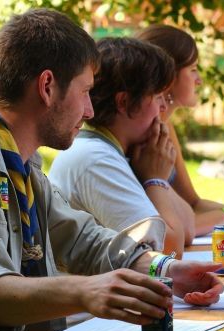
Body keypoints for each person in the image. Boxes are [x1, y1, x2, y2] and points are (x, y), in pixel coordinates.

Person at [0, 9, 223, 331]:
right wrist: (84, 292)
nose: (91, 111)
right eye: (84, 92)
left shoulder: (21, 169)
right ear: (47, 87)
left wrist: (167, 270)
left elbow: (86, 240)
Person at [49, 37, 195, 257]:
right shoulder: (96, 159)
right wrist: (155, 181)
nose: (164, 107)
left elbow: (187, 228)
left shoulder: (117, 152)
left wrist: (157, 177)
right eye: (157, 97)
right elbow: (171, 249)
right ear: (124, 102)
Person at [136, 25, 224, 236]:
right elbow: (170, 228)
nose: (199, 80)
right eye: (193, 69)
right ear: (168, 76)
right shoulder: (140, 136)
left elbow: (193, 203)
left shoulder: (165, 126)